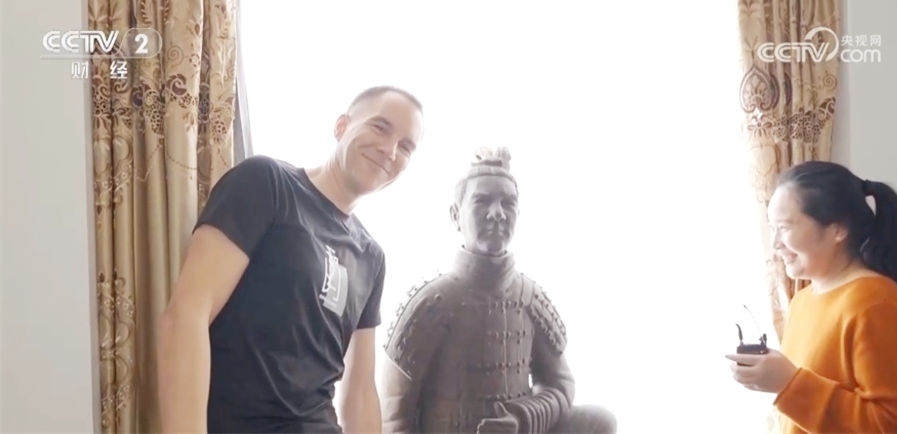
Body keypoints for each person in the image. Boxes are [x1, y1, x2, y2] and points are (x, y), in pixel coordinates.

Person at [156, 86, 426, 433]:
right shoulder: (267, 183)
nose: (390, 150)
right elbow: (186, 315)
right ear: (341, 126)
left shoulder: (371, 256)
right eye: (380, 127)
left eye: (406, 147)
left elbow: (359, 391)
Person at [380, 147, 617, 434]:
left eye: (508, 203)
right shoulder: (432, 303)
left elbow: (561, 385)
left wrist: (522, 418)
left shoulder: (530, 298)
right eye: (482, 201)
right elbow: (394, 415)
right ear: (455, 215)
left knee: (599, 421)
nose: (497, 213)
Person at [726, 160, 897, 433]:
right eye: (772, 228)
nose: (775, 244)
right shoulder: (802, 301)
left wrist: (788, 384)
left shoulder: (878, 303)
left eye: (784, 227)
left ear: (838, 230)